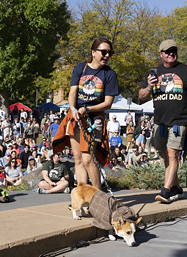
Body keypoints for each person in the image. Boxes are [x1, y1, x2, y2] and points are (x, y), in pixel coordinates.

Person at [139, 39, 187, 203]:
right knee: (165, 154)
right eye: (167, 51)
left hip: (179, 121)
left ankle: (166, 191)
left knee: (173, 154)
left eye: (173, 50)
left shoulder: (186, 70)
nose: (171, 54)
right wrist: (148, 87)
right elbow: (141, 96)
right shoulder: (153, 72)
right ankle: (177, 188)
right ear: (161, 54)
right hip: (160, 122)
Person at [67, 37, 119, 190]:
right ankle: (83, 198)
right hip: (76, 116)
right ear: (93, 52)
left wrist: (88, 109)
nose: (107, 55)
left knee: (88, 158)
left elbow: (108, 103)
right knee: (78, 159)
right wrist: (73, 109)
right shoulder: (80, 68)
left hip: (94, 118)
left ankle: (98, 196)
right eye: (104, 52)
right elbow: (72, 92)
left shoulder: (110, 74)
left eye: (110, 53)